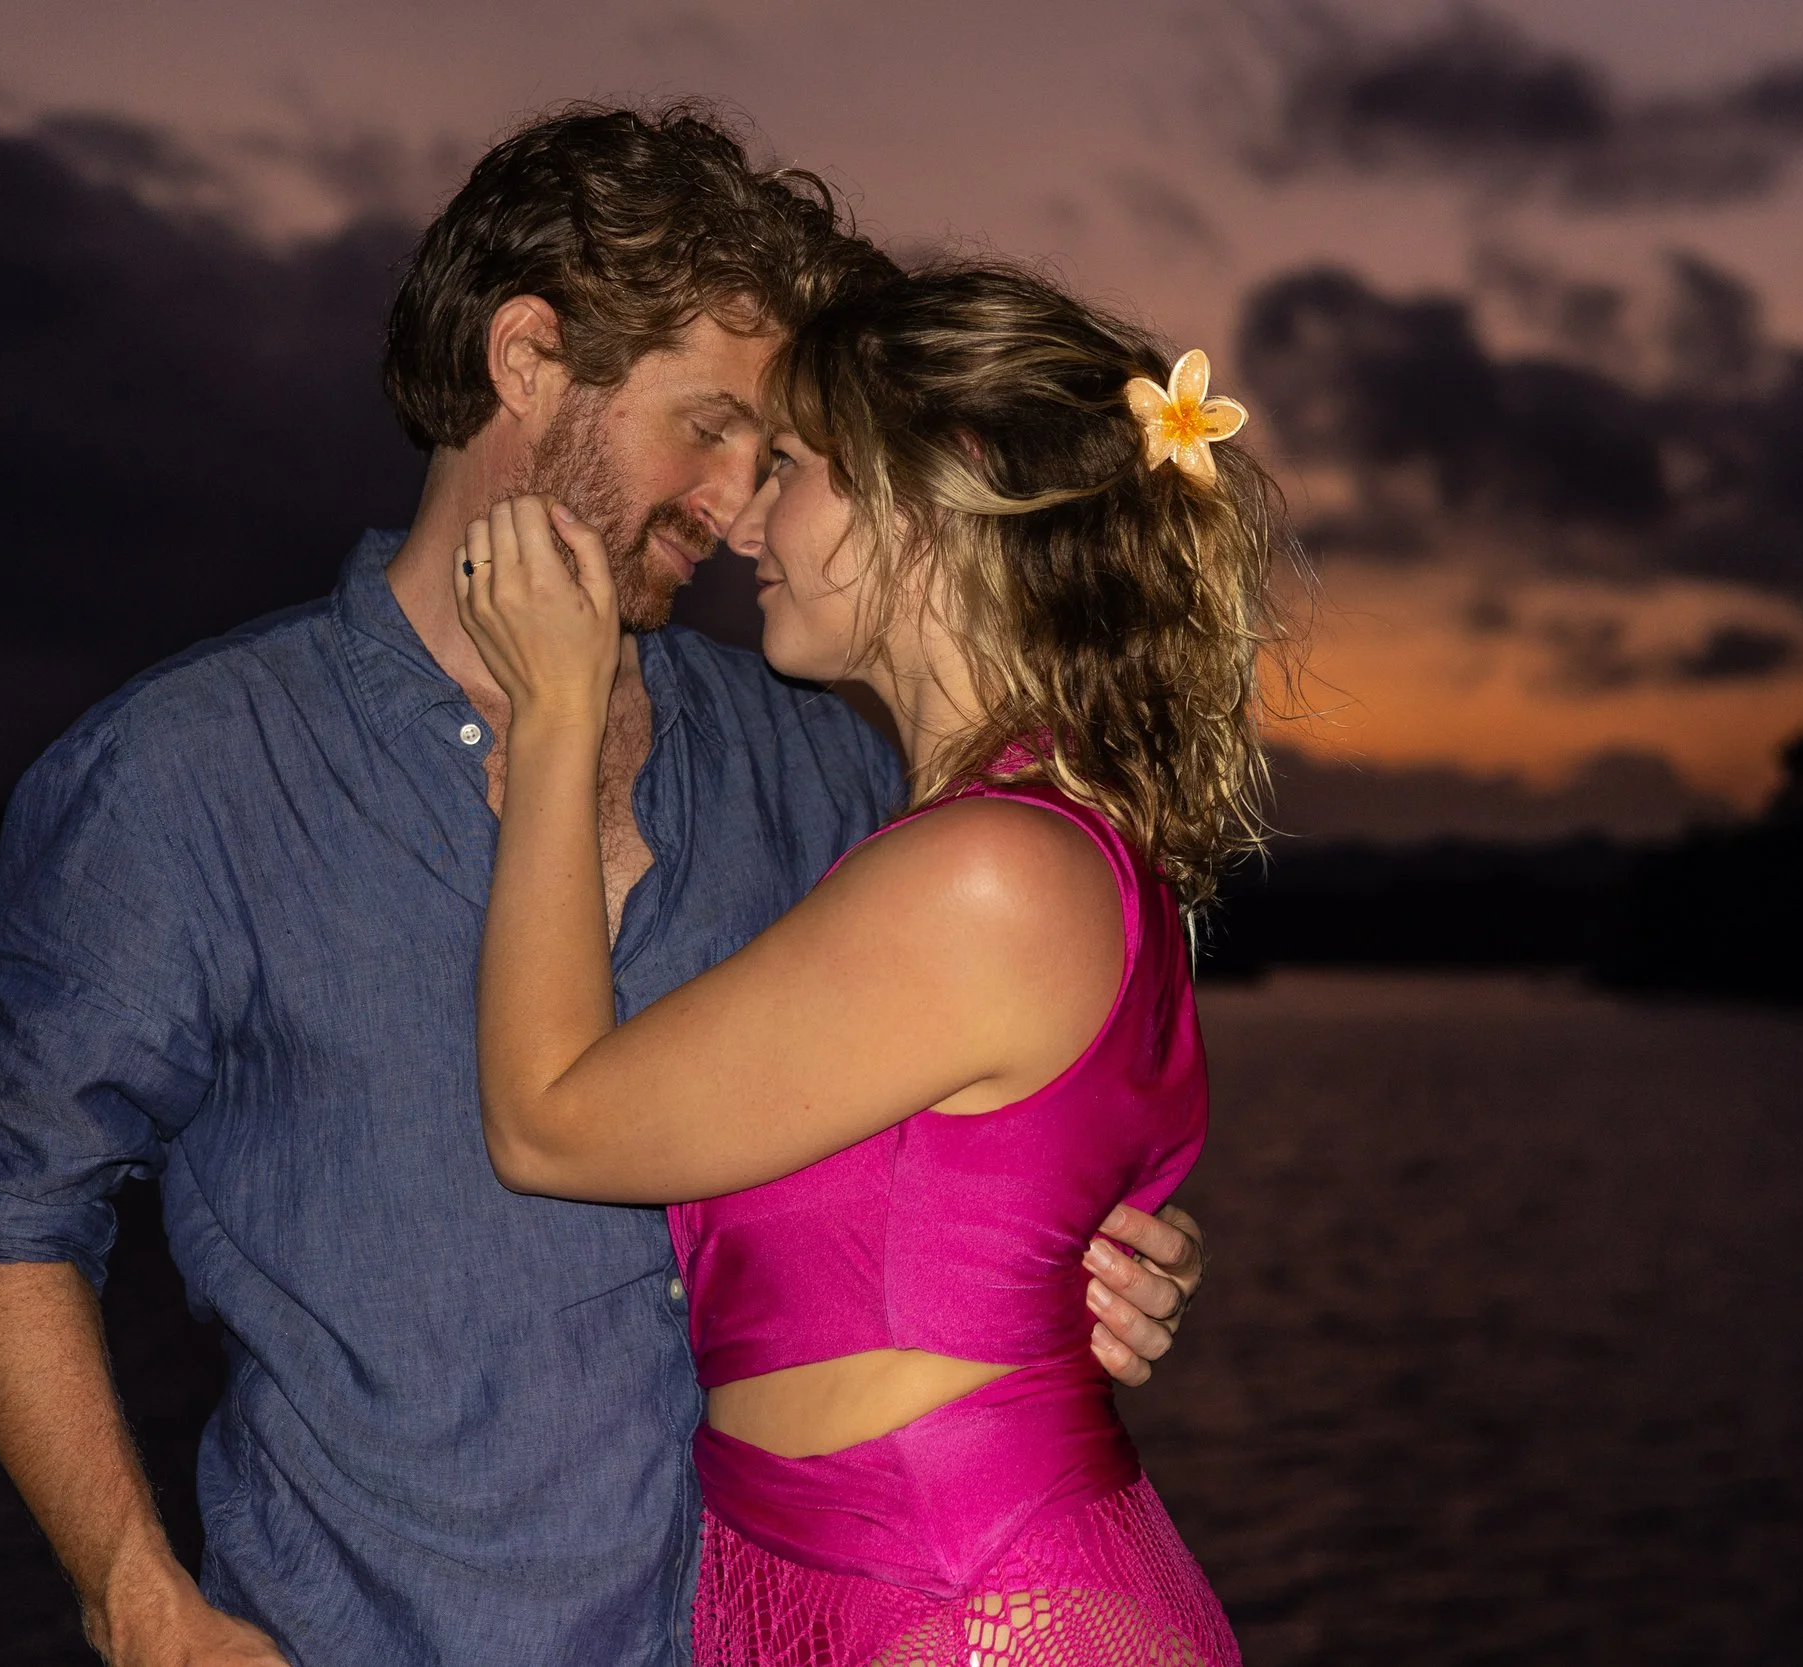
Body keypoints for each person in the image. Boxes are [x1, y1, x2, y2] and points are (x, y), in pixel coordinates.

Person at [0, 106, 1204, 1667]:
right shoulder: (184, 774)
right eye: (713, 426)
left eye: (777, 454)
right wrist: (137, 1593)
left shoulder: (821, 771)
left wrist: (1093, 1257)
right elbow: (2, 1203)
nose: (734, 505)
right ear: (527, 360)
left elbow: (967, 1144)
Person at [449, 263, 1277, 1665]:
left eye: (797, 466)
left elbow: (548, 1120)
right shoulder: (973, 842)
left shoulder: (990, 871)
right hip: (841, 1578)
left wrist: (555, 716)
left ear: (928, 496)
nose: (747, 518)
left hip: (965, 1597)